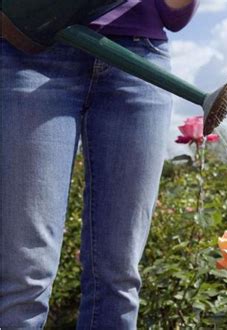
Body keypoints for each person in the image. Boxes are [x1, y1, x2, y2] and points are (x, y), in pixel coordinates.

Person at [0, 0, 199, 328]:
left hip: (138, 59)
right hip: (29, 48)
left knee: (119, 280)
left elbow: (176, 14)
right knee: (25, 277)